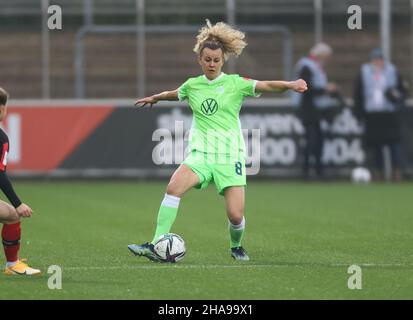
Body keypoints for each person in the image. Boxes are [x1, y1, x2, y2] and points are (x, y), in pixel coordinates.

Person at [128, 20, 307, 262]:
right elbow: (175, 94)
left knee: (235, 215)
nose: (211, 64)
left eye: (216, 60)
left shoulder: (235, 83)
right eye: (207, 59)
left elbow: (266, 85)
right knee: (173, 188)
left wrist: (290, 84)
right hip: (200, 155)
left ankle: (237, 246)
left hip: (229, 156)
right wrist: (156, 98)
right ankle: (155, 243)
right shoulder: (193, 85)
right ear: (200, 60)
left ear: (223, 61)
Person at [0, 87, 40, 275]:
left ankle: (12, 264)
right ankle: (12, 265)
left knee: (9, 215)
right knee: (13, 215)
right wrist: (18, 203)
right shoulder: (1, 138)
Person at [353, 48, 407, 181]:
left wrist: (394, 97)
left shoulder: (392, 71)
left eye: (380, 59)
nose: (378, 62)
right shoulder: (364, 72)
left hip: (389, 114)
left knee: (394, 145)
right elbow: (358, 94)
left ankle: (397, 173)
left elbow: (402, 92)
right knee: (375, 147)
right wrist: (359, 114)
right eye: (375, 60)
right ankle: (378, 174)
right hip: (372, 114)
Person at [292, 43, 339, 179]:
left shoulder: (314, 66)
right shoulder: (307, 66)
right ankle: (307, 171)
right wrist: (326, 89)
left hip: (314, 110)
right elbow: (306, 89)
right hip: (308, 110)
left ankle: (317, 170)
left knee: (317, 141)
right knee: (312, 141)